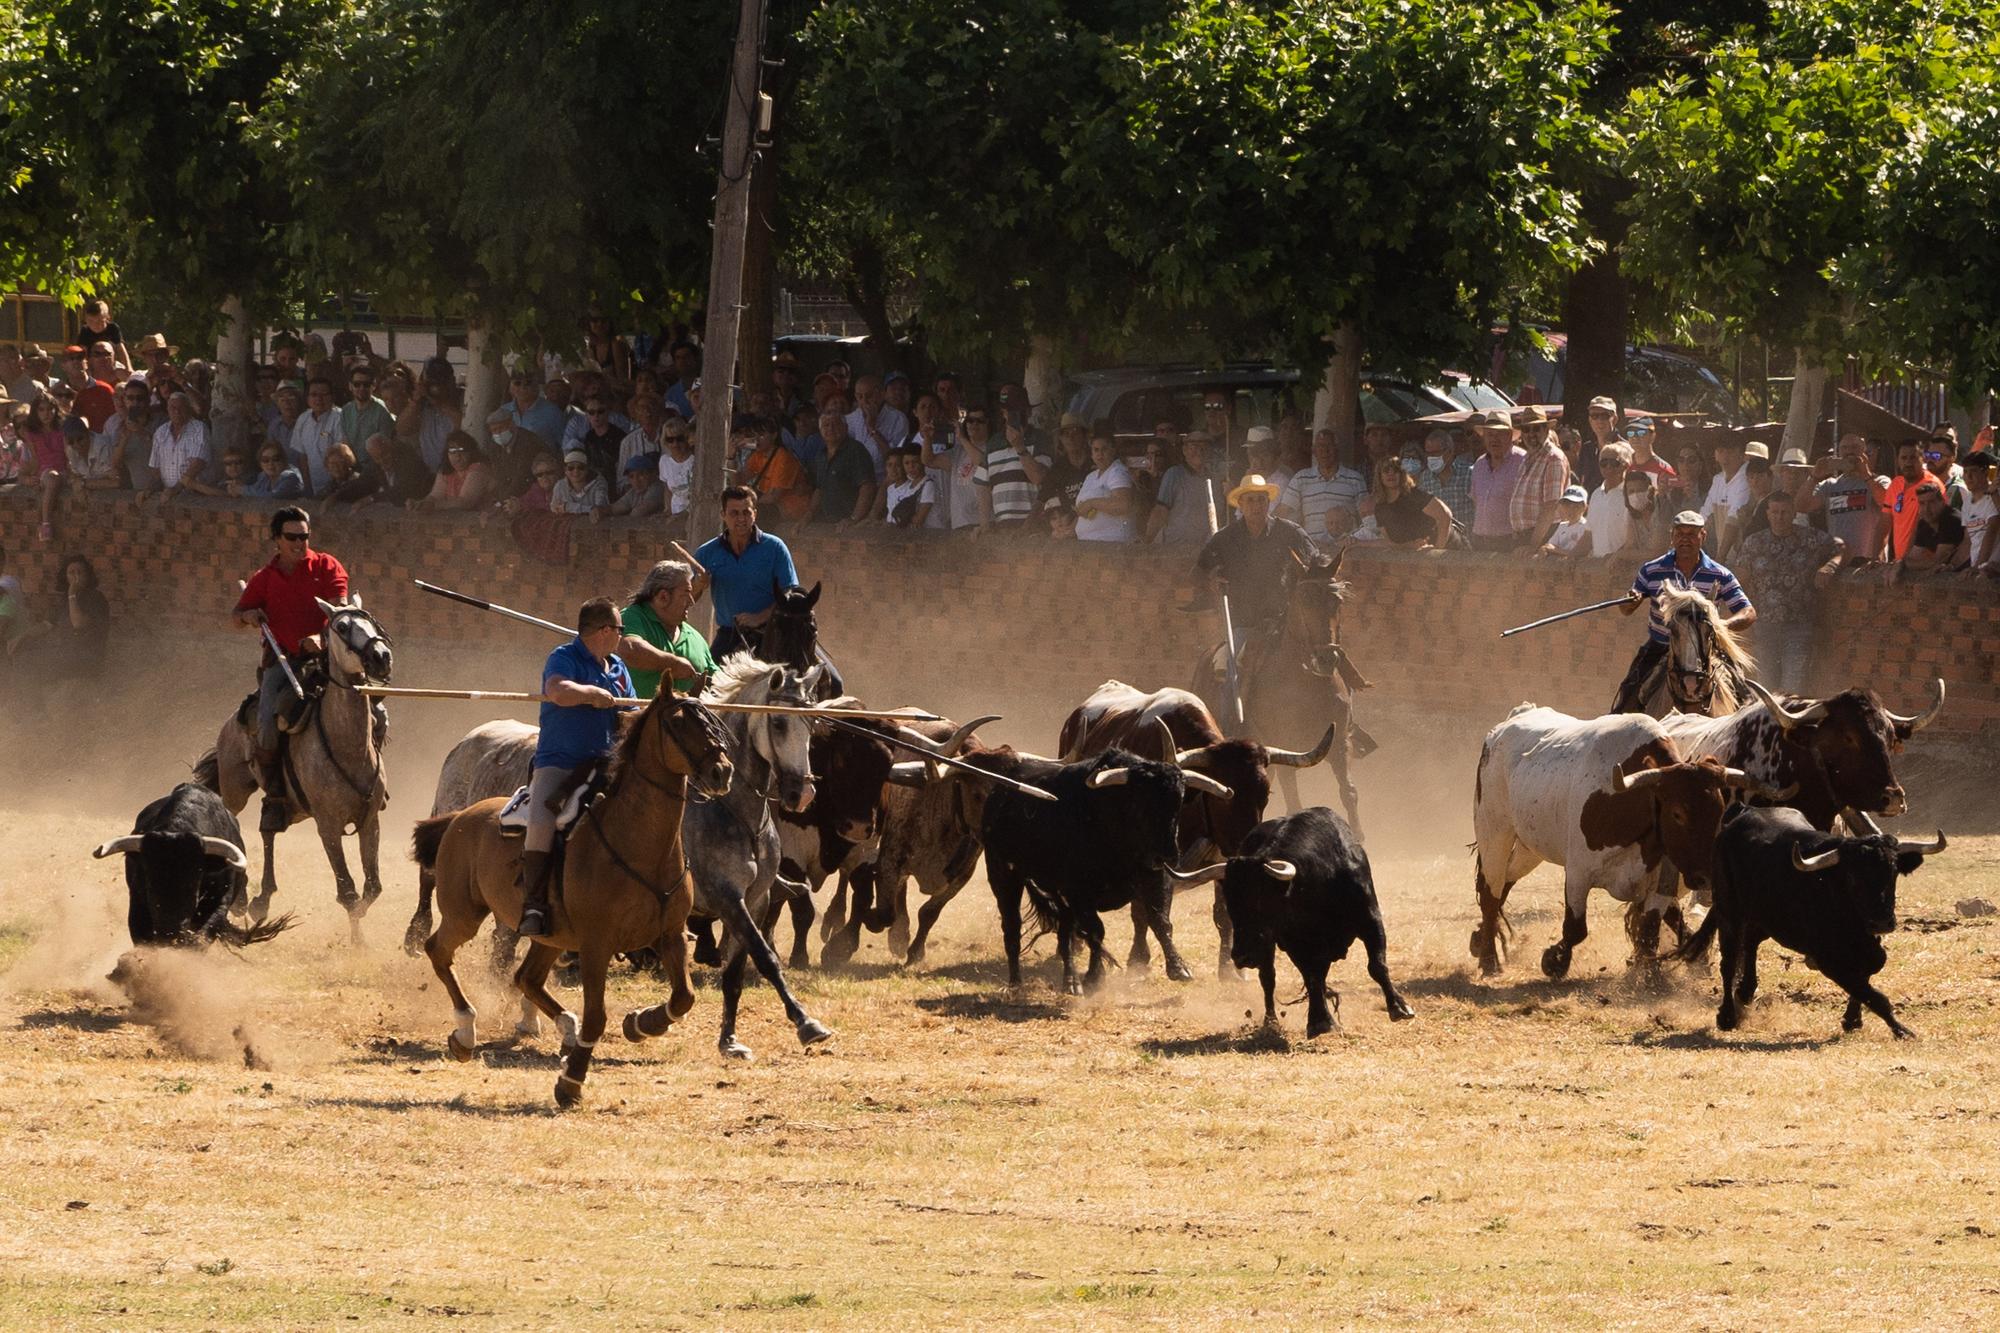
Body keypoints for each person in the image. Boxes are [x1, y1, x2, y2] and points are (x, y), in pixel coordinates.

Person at [518, 596, 635, 940]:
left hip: (607, 763)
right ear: (603, 630)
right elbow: (558, 691)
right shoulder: (563, 657)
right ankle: (534, 904)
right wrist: (591, 693)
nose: (621, 636)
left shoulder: (618, 667)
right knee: (541, 822)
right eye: (618, 628)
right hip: (561, 764)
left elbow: (629, 712)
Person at [231, 507, 349, 831]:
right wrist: (249, 616)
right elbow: (236, 614)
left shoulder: (327, 566)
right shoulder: (264, 579)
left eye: (304, 536)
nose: (300, 543)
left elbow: (340, 610)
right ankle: (276, 795)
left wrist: (320, 638)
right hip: (283, 662)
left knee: (373, 710)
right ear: (277, 540)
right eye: (292, 537)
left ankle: (372, 783)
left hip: (326, 658)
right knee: (268, 724)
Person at [1611, 510, 1756, 713]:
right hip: (1661, 645)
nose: (1685, 539)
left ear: (1702, 537)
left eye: (1691, 534)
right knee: (1629, 692)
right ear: (1672, 537)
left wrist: (1720, 626)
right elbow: (1626, 609)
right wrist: (1630, 600)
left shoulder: (1720, 574)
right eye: (1680, 534)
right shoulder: (1652, 570)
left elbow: (1748, 612)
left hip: (1707, 649)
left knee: (1746, 696)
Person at [1731, 490, 1842, 692]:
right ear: (1767, 514)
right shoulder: (1754, 543)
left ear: (1793, 513)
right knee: (1765, 687)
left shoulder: (1811, 539)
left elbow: (1841, 548)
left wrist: (1830, 566)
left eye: (1784, 512)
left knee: (1793, 686)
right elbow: (1739, 580)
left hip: (1799, 625)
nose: (1779, 517)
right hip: (1764, 626)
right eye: (1775, 512)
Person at [1194, 473, 1317, 641]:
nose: (1256, 505)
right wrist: (1212, 582)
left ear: (1268, 503)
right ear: (1240, 504)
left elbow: (1318, 565)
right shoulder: (1225, 538)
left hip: (1284, 627)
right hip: (1243, 626)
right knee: (1225, 664)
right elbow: (1197, 572)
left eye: (1261, 500)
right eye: (1250, 500)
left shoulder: (1291, 533)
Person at [693, 486, 800, 658]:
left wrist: (761, 617)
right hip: (731, 635)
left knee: (834, 681)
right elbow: (688, 596)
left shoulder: (775, 547)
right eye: (734, 513)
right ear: (723, 515)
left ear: (755, 514)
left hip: (774, 631)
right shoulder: (707, 553)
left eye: (746, 512)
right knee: (708, 681)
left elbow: (791, 592)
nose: (741, 519)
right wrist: (698, 585)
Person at [1802, 433, 1888, 565]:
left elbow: (1886, 503)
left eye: (1855, 447)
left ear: (1864, 452)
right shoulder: (1830, 485)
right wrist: (1813, 477)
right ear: (1839, 452)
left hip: (1870, 561)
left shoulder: (1880, 480)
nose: (1849, 452)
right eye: (1845, 448)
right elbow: (1802, 506)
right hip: (1838, 561)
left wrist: (1866, 475)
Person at [975, 409, 1049, 534]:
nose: (1013, 415)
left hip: (1034, 527)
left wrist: (1020, 447)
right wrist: (984, 523)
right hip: (1002, 526)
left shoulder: (1040, 437)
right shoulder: (994, 442)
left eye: (1016, 408)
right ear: (1003, 414)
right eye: (1008, 410)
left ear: (1027, 410)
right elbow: (982, 484)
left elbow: (1039, 478)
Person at [1509, 406, 1570, 549]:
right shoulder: (1526, 458)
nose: (1531, 434)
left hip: (1544, 538)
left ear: (1546, 430)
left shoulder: (1554, 458)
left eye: (1536, 429)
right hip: (1524, 538)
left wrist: (1533, 546)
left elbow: (1550, 506)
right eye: (1526, 430)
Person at [1152, 429, 1225, 544]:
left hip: (1204, 550)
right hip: (1175, 548)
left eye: (1204, 447)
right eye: (1194, 447)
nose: (1199, 451)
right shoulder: (1174, 475)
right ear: (1184, 450)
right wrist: (1148, 542)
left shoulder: (1216, 480)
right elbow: (1160, 512)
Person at [1365, 455, 1453, 549]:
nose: (1391, 473)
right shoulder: (1380, 508)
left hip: (1451, 550)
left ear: (1402, 473)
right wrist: (1357, 543)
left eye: (1396, 470)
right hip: (1419, 557)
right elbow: (1390, 543)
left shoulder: (1414, 496)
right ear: (1379, 475)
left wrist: (1437, 551)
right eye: (1386, 470)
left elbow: (1445, 515)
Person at [1468, 410, 1526, 551]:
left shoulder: (1523, 461)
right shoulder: (1479, 464)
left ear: (1510, 436)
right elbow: (1477, 501)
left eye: (1500, 434)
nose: (1494, 439)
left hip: (1510, 541)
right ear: (1484, 437)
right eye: (1490, 434)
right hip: (1480, 541)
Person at [813, 409, 876, 528]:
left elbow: (867, 487)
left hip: (851, 524)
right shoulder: (820, 455)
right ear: (820, 431)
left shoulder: (856, 450)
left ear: (846, 428)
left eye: (836, 424)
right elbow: (819, 489)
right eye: (826, 425)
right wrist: (808, 516)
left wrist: (854, 518)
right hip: (826, 522)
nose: (831, 428)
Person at [1888, 481, 1963, 583]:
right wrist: (1902, 563)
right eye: (1922, 503)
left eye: (1931, 502)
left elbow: (1939, 561)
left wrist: (1903, 564)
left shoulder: (1951, 520)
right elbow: (1913, 556)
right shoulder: (1924, 522)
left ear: (1942, 502)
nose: (1927, 509)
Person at [1072, 429, 1136, 543]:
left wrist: (1092, 503)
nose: (1100, 454)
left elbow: (1123, 504)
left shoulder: (1117, 471)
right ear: (1091, 454)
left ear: (1113, 450)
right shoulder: (1090, 477)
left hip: (1113, 542)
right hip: (1087, 542)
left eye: (1104, 449)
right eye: (1096, 450)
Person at [19, 393, 67, 542]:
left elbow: (68, 453)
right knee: (51, 478)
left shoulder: (62, 429)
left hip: (64, 469)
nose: (47, 414)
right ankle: (46, 523)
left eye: (50, 409)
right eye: (42, 410)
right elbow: (35, 458)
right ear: (36, 412)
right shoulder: (32, 433)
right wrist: (30, 477)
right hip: (46, 471)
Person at [146, 391, 209, 502]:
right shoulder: (161, 432)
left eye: (181, 407)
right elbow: (155, 467)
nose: (177, 411)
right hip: (168, 495)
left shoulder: (199, 428)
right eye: (173, 408)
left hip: (196, 495)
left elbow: (198, 463)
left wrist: (176, 488)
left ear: (189, 409)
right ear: (167, 409)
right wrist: (150, 489)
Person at [1881, 440, 1935, 561]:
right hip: (1901, 561)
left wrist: (1905, 560)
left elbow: (1922, 528)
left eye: (1913, 458)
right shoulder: (1895, 484)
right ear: (1897, 461)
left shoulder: (1931, 486)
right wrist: (1876, 556)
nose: (1908, 462)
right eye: (1904, 458)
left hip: (1922, 563)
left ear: (1923, 459)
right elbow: (1884, 524)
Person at [411, 431, 490, 511]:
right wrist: (420, 504)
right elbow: (435, 496)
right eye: (453, 452)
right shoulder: (447, 470)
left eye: (462, 452)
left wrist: (433, 505)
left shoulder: (478, 468)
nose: (457, 458)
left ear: (471, 453)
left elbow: (466, 502)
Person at [1586, 443, 1633, 557]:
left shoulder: (1632, 494)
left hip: (1623, 566)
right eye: (1603, 463)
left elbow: (1636, 539)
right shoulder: (1596, 495)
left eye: (1614, 463)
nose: (1608, 467)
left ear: (1626, 465)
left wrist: (1616, 557)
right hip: (1597, 567)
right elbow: (1588, 536)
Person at [1957, 449, 1998, 573]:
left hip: (1993, 570)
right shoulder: (1967, 502)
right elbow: (1967, 541)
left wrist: (1979, 566)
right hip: (1977, 567)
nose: (1968, 477)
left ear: (1985, 471)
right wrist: (1952, 565)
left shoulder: (1995, 496)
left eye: (1973, 471)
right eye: (1965, 472)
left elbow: (1991, 532)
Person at [883, 445, 938, 530]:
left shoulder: (928, 485)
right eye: (907, 463)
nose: (911, 467)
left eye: (915, 462)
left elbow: (918, 520)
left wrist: (900, 521)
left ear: (922, 462)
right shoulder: (909, 487)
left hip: (931, 532)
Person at [598, 455, 665, 519]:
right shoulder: (634, 492)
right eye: (631, 476)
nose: (636, 481)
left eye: (641, 474)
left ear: (653, 474)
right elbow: (614, 509)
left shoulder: (657, 487)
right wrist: (599, 510)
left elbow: (639, 512)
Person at [1536, 485, 1593, 558]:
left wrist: (1555, 550)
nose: (1571, 510)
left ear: (1584, 508)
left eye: (1576, 506)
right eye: (1567, 505)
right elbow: (1551, 545)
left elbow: (1581, 553)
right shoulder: (1562, 526)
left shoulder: (1586, 527)